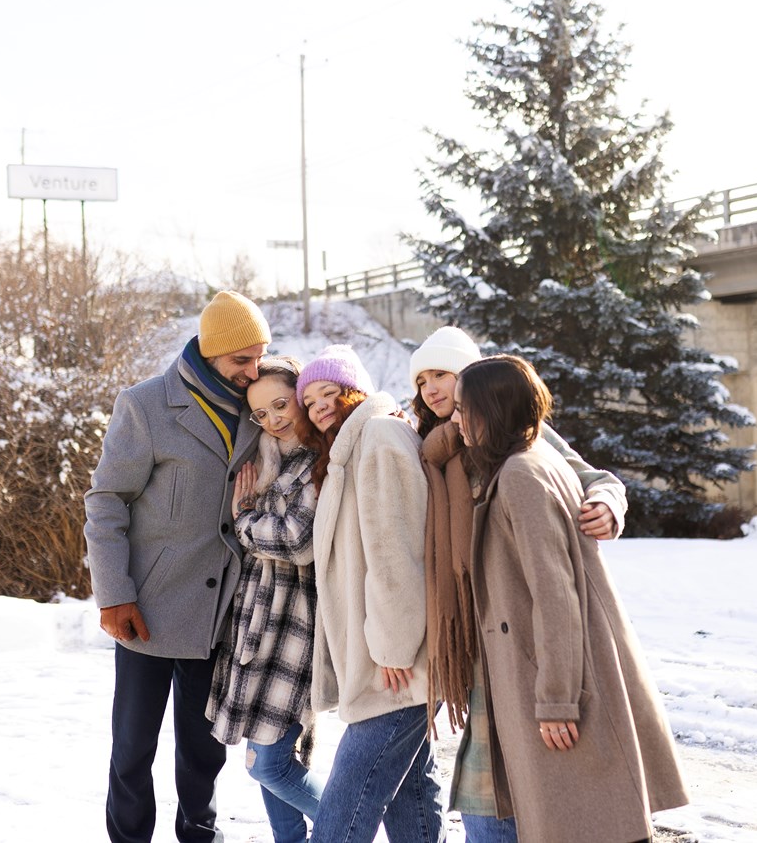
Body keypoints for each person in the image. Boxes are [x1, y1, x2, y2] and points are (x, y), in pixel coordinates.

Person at [452, 355, 688, 843]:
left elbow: (553, 593)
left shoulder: (520, 474)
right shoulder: (533, 459)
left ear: (490, 411)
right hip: (565, 667)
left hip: (558, 677)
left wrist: (557, 700)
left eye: (462, 409)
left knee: (590, 823)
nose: (455, 419)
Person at [408, 326, 631, 842]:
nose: (431, 389)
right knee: (497, 783)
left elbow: (595, 479)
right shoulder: (428, 447)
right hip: (473, 630)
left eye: (441, 374)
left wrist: (607, 505)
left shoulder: (518, 440)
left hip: (519, 634)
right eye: (421, 381)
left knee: (514, 786)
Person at [85, 290, 272, 843]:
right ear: (211, 352)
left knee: (203, 752)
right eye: (242, 359)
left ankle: (200, 836)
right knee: (132, 747)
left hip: (220, 613)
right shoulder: (145, 405)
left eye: (260, 357)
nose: (253, 371)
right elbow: (106, 502)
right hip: (146, 610)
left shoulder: (261, 406)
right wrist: (114, 594)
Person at [297, 345, 444, 843]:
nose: (318, 406)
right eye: (309, 400)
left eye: (329, 392)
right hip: (385, 656)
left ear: (354, 390)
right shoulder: (347, 450)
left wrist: (394, 647)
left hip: (395, 659)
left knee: (347, 799)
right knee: (411, 793)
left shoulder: (379, 436)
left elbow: (396, 552)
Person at [205, 356, 326, 843]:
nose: (273, 419)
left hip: (296, 622)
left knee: (269, 763)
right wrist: (255, 521)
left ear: (300, 397)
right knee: (263, 751)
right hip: (257, 619)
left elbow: (298, 542)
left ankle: (352, 822)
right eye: (260, 413)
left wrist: (245, 520)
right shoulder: (269, 458)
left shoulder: (319, 460)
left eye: (280, 404)